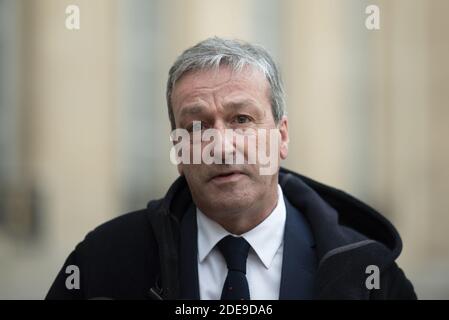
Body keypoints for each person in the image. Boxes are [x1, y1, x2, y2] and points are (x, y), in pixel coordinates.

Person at [46, 37, 416, 300]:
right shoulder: (104, 264)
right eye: (196, 126)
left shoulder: (370, 276)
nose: (221, 147)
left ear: (281, 136)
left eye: (241, 119)